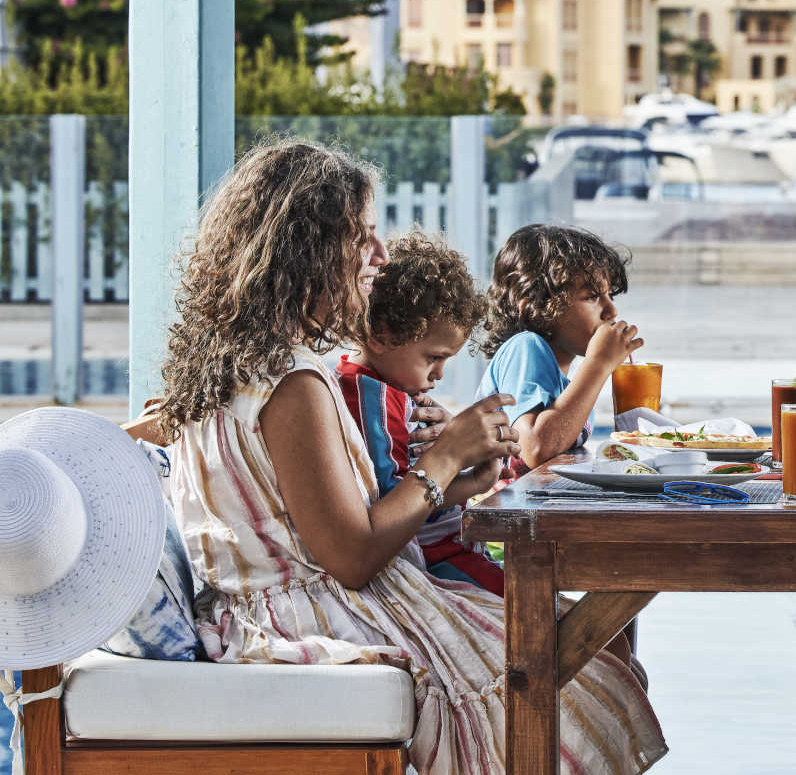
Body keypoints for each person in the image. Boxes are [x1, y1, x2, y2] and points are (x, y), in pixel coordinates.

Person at [153, 139, 665, 774]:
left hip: (263, 607)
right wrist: (446, 457)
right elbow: (352, 557)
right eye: (362, 237)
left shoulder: (229, 365)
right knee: (576, 668)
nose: (380, 256)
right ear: (308, 252)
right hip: (315, 615)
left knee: (586, 640)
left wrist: (453, 475)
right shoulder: (293, 384)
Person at [336, 230, 504, 595]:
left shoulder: (388, 393)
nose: (439, 374)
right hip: (433, 562)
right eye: (433, 358)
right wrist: (474, 480)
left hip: (449, 550)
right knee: (548, 615)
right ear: (380, 336)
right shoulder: (369, 398)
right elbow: (394, 503)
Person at [477, 224, 642, 480]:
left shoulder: (564, 380)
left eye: (609, 295)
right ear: (535, 308)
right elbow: (536, 448)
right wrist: (598, 365)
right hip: (502, 512)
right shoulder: (525, 348)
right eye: (592, 297)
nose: (611, 311)